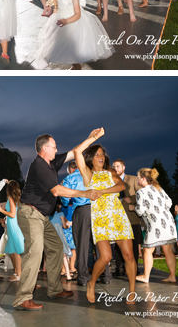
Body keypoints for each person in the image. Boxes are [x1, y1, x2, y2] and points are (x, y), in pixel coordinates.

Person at [12, 133, 105, 311]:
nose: (56, 149)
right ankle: (22, 298)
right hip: (30, 213)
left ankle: (54, 289)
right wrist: (85, 193)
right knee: (35, 252)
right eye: (54, 147)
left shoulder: (51, 162)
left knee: (56, 247)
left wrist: (91, 138)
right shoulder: (39, 166)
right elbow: (57, 191)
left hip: (41, 216)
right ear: (45, 149)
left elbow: (73, 152)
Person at [71, 129, 138, 305]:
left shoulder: (110, 172)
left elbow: (121, 186)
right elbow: (78, 151)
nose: (101, 157)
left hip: (118, 215)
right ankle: (92, 283)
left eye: (103, 154)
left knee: (129, 255)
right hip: (100, 218)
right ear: (91, 158)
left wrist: (102, 191)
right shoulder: (87, 174)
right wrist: (93, 138)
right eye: (97, 154)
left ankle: (132, 291)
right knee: (106, 257)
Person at [34, 0, 114, 69]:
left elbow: (77, 14)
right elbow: (57, 7)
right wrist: (53, 18)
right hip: (61, 20)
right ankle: (75, 66)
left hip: (73, 21)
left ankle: (76, 66)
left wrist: (66, 21)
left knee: (73, 46)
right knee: (64, 46)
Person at [134, 168, 177, 284]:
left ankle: (145, 276)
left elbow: (140, 211)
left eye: (138, 177)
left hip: (155, 224)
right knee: (167, 250)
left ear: (143, 179)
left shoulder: (141, 192)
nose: (137, 179)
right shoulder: (159, 188)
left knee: (147, 250)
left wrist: (132, 208)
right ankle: (172, 276)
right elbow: (169, 202)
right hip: (168, 221)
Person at [60, 161, 93, 287]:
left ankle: (83, 277)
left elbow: (64, 198)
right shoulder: (94, 175)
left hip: (81, 210)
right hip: (97, 209)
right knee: (101, 243)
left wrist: (65, 201)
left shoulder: (70, 178)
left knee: (81, 245)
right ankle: (105, 275)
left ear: (71, 170)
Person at [111, 159, 142, 276]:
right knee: (118, 245)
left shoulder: (133, 179)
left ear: (123, 167)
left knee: (133, 245)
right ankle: (119, 268)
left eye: (118, 166)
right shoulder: (111, 181)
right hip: (117, 217)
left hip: (131, 217)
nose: (115, 169)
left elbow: (141, 196)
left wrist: (132, 200)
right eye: (114, 167)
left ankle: (134, 268)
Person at [0, 180, 25, 281]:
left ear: (9, 189)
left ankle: (19, 275)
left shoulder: (11, 198)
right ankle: (16, 272)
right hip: (11, 226)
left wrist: (1, 210)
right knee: (12, 251)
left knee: (15, 251)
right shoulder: (13, 199)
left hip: (14, 225)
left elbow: (12, 214)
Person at [49, 201, 73, 280]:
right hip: (60, 235)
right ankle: (68, 275)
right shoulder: (61, 214)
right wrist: (68, 226)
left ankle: (53, 276)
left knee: (53, 256)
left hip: (51, 235)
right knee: (64, 256)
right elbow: (64, 226)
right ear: (59, 205)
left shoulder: (49, 215)